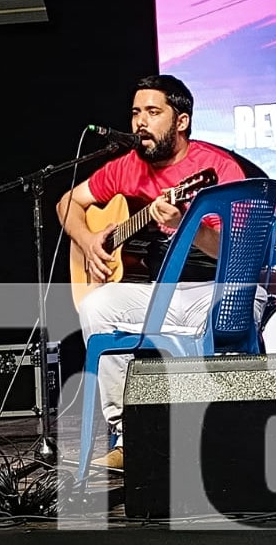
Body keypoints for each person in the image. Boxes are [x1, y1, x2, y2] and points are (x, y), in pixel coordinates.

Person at [57, 74, 253, 473]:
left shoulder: (218, 168)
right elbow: (67, 203)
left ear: (181, 121)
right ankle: (128, 435)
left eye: (152, 112)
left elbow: (241, 252)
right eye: (135, 113)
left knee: (207, 325)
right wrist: (91, 240)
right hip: (162, 291)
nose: (140, 123)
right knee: (96, 306)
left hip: (217, 288)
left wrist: (189, 223)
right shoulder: (128, 167)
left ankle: (208, 440)